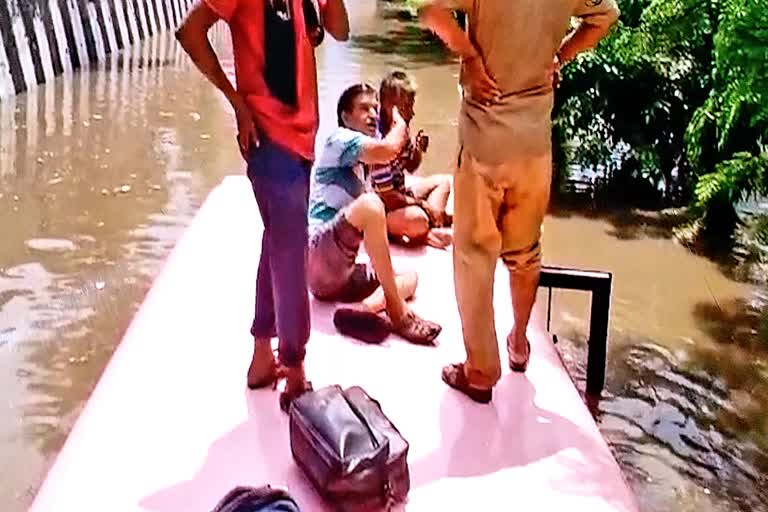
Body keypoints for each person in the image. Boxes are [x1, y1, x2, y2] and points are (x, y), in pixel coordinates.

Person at [419, 0, 620, 402]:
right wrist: (561, 54)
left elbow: (428, 10)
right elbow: (606, 17)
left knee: (475, 256)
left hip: (485, 144)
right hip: (534, 146)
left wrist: (471, 56)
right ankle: (519, 342)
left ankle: (480, 371)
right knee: (526, 252)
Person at [175, 0, 350, 411]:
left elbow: (338, 30)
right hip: (268, 138)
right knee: (290, 251)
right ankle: (294, 366)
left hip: (304, 135)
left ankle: (260, 354)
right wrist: (238, 105)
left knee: (278, 241)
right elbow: (190, 33)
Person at [307, 83, 442, 345]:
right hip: (316, 256)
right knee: (370, 204)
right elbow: (389, 149)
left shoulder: (362, 168)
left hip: (341, 274)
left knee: (409, 279)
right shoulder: (339, 139)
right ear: (346, 117)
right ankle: (398, 314)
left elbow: (381, 217)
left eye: (376, 109)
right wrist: (399, 117)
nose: (373, 114)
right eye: (364, 108)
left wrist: (424, 235)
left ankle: (362, 311)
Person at [370, 71, 453, 249]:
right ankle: (429, 228)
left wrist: (418, 150)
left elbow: (411, 167)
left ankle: (431, 224)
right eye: (407, 106)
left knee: (442, 183)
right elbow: (389, 198)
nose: (412, 113)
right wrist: (423, 205)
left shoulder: (401, 132)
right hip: (382, 208)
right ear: (388, 106)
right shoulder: (379, 142)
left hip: (400, 195)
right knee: (418, 219)